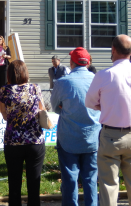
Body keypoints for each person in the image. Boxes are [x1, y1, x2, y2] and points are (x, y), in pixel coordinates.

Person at [85, 35, 131, 206]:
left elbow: (89, 102)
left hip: (111, 134)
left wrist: (106, 107)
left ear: (113, 50)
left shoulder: (104, 75)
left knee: (108, 186)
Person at [51, 47, 101, 206]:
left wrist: (66, 109)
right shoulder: (98, 80)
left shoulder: (62, 82)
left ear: (72, 63)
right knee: (91, 180)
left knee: (70, 180)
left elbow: (54, 107)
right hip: (92, 138)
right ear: (88, 62)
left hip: (68, 138)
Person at [0, 60, 45, 206]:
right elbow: (42, 109)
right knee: (34, 183)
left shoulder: (5, 90)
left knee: (14, 182)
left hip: (13, 140)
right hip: (34, 139)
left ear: (9, 74)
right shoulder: (35, 88)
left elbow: (5, 115)